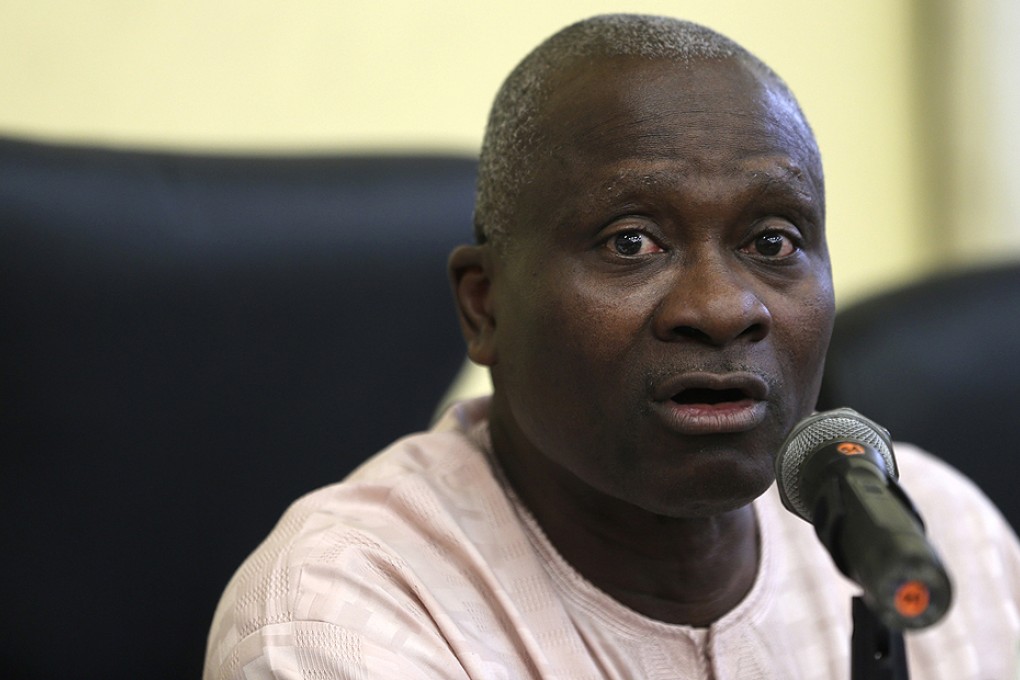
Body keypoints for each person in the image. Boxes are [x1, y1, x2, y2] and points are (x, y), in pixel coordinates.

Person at [204, 14, 1020, 679]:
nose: (721, 307)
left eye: (773, 242)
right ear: (485, 307)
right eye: (631, 243)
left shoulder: (939, 537)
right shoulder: (342, 619)